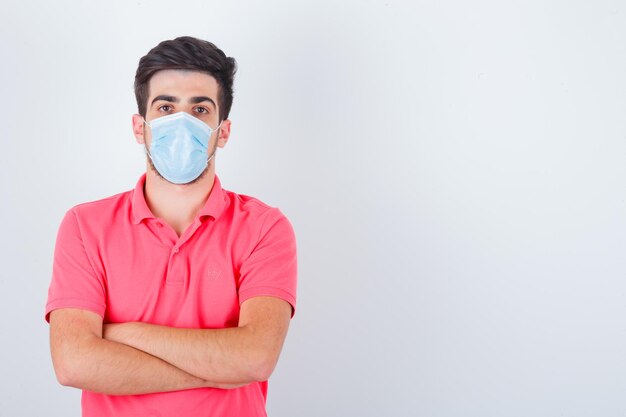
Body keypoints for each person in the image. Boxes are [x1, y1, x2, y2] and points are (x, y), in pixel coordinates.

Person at [44, 36, 297, 417]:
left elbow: (256, 359)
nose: (182, 123)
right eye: (165, 107)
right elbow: (74, 363)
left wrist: (124, 335)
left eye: (200, 109)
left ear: (222, 131)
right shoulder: (84, 226)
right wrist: (220, 369)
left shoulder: (265, 227)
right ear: (139, 127)